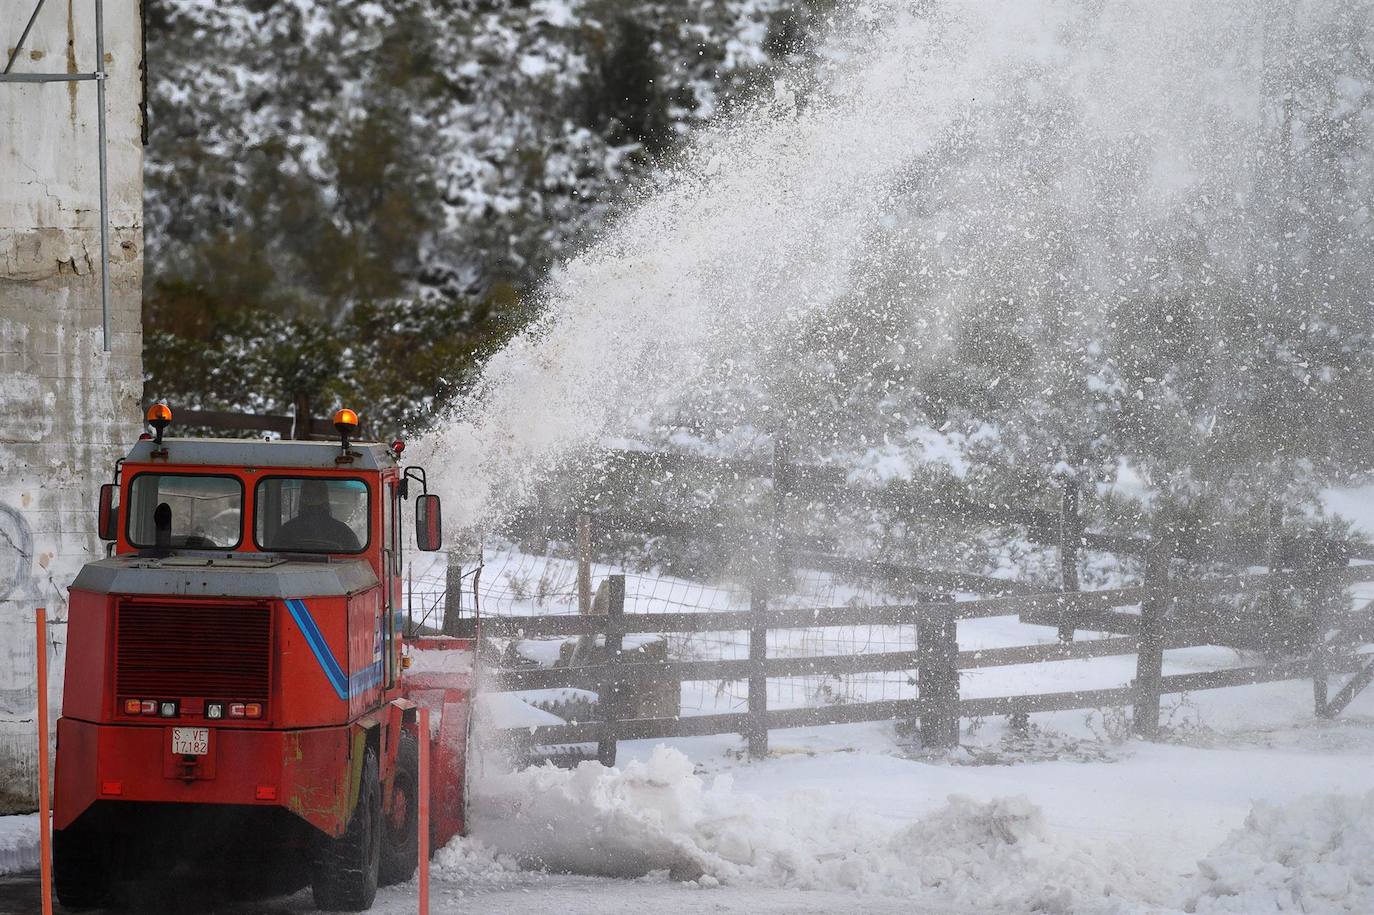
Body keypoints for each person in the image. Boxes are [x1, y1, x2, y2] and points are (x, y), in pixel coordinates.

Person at [275, 480, 361, 552]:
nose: (313, 496)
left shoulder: (286, 531)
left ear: (301, 498)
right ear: (326, 498)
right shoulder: (344, 532)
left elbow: (274, 556)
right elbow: (357, 559)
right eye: (309, 493)